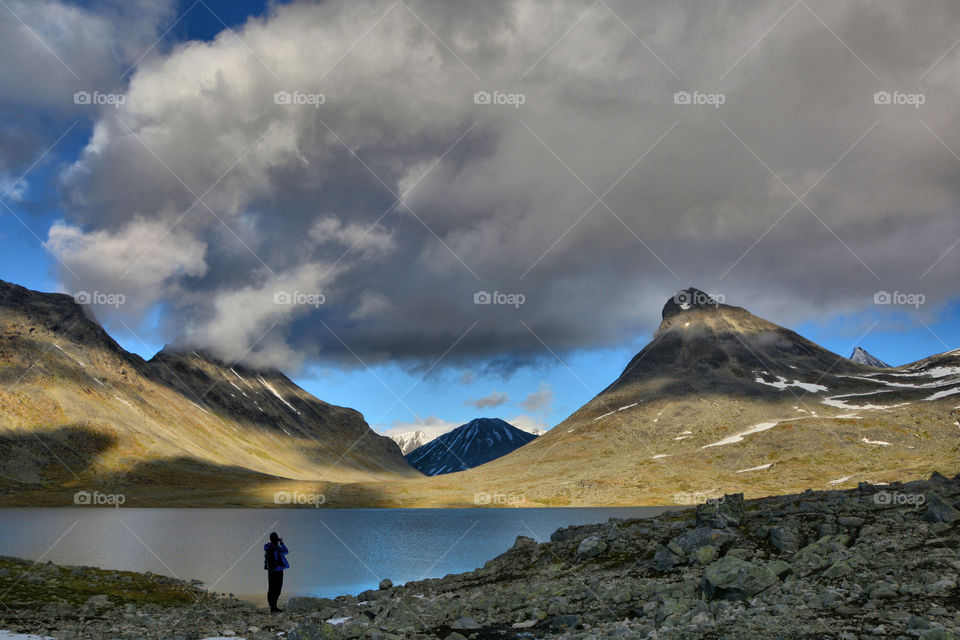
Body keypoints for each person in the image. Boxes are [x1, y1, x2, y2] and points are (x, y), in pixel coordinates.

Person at [264, 532, 289, 612]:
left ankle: (271, 606)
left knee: (271, 589)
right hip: (278, 570)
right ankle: (274, 607)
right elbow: (286, 551)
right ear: (276, 538)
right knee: (277, 589)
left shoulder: (268, 547)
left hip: (270, 570)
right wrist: (281, 542)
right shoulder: (277, 548)